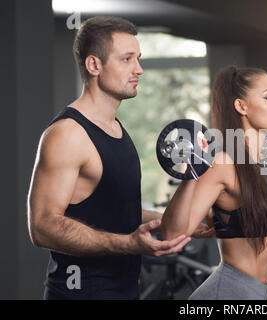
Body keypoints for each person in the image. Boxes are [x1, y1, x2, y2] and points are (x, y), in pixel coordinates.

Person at [27, 16, 213, 300]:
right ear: (94, 65)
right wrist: (127, 244)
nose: (138, 69)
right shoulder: (67, 135)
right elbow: (42, 226)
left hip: (124, 290)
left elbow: (112, 211)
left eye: (138, 58)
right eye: (127, 59)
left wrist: (176, 222)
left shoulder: (115, 128)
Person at [161, 65, 267, 300]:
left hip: (254, 294)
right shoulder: (222, 163)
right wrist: (192, 169)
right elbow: (173, 234)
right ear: (241, 106)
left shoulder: (261, 162)